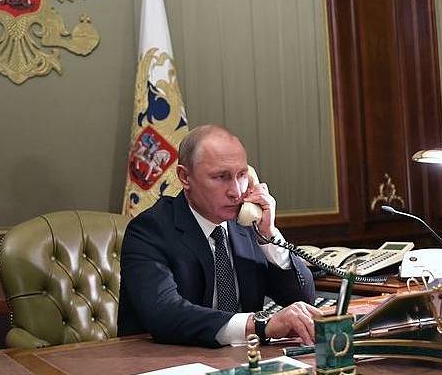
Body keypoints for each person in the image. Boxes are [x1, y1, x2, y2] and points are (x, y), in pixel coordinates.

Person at [117, 125, 320, 347]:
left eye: (242, 175)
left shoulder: (248, 225)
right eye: (221, 177)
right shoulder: (149, 230)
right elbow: (165, 314)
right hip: (167, 359)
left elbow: (303, 298)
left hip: (244, 357)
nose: (236, 191)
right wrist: (259, 325)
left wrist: (268, 235)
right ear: (185, 177)